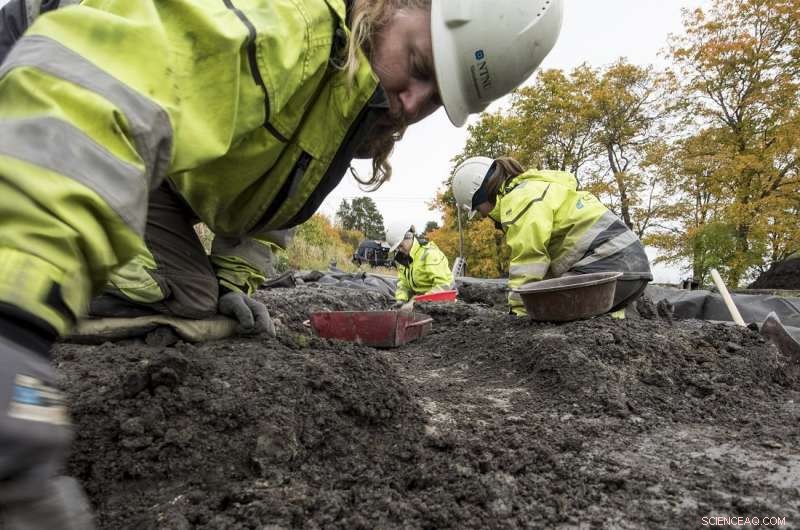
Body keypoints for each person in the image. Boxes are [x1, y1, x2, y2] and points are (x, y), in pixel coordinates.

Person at [0, 0, 564, 527]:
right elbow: (98, 95)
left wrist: (229, 283)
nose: (412, 103)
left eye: (436, 97)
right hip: (41, 88)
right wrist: (16, 325)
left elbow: (273, 211)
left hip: (139, 158)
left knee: (190, 303)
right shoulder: (280, 19)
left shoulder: (347, 104)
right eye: (418, 64)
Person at [452, 156, 652, 316]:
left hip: (607, 266)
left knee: (548, 310)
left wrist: (518, 310)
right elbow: (547, 267)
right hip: (633, 271)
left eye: (478, 209)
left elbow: (529, 259)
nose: (483, 215)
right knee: (590, 321)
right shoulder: (538, 187)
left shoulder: (519, 200)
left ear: (481, 194)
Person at [392, 228, 453, 304]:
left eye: (401, 246)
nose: (400, 250)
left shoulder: (430, 254)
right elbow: (403, 285)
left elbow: (443, 286)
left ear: (409, 237)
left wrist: (418, 302)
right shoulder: (404, 260)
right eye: (397, 248)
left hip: (443, 301)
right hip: (421, 301)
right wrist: (400, 301)